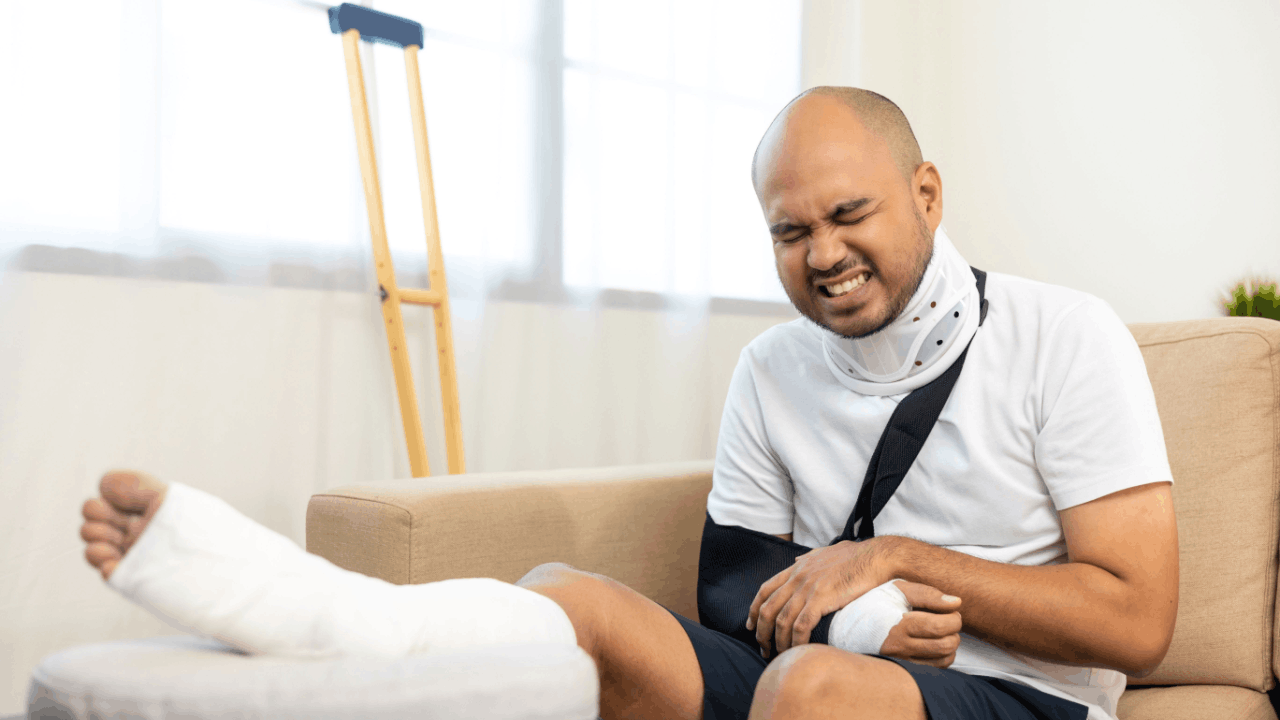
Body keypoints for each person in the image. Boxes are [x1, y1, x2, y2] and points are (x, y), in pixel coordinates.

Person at [81, 86, 1178, 720]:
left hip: (1020, 699)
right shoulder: (770, 369)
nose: (824, 255)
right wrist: (856, 613)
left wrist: (898, 565)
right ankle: (333, 623)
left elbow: (1137, 619)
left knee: (809, 690)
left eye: (849, 214)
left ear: (925, 193)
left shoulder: (1061, 335)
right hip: (826, 657)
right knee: (570, 601)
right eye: (789, 233)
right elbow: (730, 584)